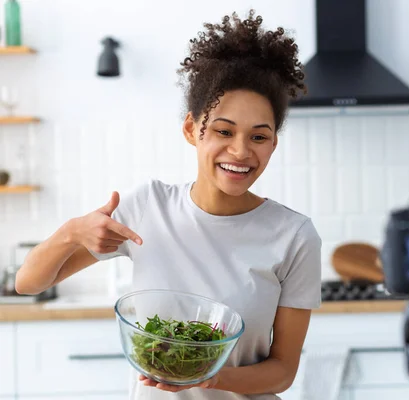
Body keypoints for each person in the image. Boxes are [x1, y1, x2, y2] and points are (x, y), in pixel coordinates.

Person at [15, 9, 321, 400]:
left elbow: (282, 371)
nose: (240, 151)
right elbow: (28, 283)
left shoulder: (294, 235)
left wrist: (211, 379)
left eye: (258, 137)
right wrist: (72, 231)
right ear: (192, 130)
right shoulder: (148, 207)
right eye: (223, 131)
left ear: (273, 143)